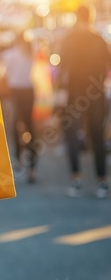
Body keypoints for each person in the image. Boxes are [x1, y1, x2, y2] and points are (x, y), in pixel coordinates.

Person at [57, 4, 110, 198]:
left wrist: (61, 94)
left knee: (72, 136)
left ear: (76, 17)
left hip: (74, 94)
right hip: (95, 94)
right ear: (91, 17)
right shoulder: (99, 40)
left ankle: (75, 180)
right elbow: (106, 67)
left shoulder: (69, 40)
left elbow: (63, 70)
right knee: (97, 137)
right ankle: (101, 181)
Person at [0, 34, 37, 184]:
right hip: (29, 92)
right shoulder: (31, 52)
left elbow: (2, 73)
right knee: (30, 127)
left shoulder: (10, 55)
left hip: (15, 92)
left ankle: (19, 160)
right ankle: (32, 167)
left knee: (15, 127)